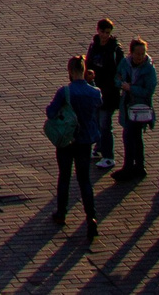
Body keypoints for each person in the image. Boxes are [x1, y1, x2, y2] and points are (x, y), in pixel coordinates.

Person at [46, 55, 103, 234]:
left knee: (64, 176)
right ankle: (91, 216)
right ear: (85, 70)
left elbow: (50, 112)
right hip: (85, 140)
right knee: (84, 179)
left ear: (70, 71)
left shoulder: (64, 92)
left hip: (66, 141)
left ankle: (61, 213)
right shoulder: (95, 92)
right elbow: (99, 105)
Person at [116, 37, 158, 180]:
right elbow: (117, 76)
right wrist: (121, 83)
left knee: (130, 136)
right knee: (134, 137)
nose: (141, 56)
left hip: (139, 107)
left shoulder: (149, 69)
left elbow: (148, 91)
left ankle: (130, 167)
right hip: (127, 105)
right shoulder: (125, 63)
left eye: (143, 53)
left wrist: (131, 88)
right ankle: (138, 167)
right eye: (138, 53)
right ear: (131, 53)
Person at [85, 20, 124, 172]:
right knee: (96, 121)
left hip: (109, 93)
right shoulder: (93, 45)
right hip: (95, 90)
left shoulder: (115, 49)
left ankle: (109, 157)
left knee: (105, 124)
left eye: (108, 33)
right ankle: (99, 148)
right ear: (98, 31)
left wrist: (115, 85)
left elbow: (119, 70)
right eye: (103, 32)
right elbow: (89, 63)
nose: (105, 35)